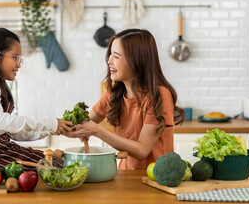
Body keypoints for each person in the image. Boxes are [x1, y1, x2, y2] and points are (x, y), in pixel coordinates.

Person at [65, 29, 185, 170]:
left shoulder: (159, 95)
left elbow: (142, 151)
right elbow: (79, 125)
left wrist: (97, 131)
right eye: (110, 54)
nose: (109, 61)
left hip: (157, 178)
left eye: (116, 56)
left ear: (137, 60)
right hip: (125, 174)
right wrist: (51, 126)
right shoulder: (114, 92)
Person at [0, 28, 72, 170]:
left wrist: (49, 129)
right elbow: (0, 122)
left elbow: (9, 132)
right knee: (52, 165)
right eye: (15, 57)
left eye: (19, 58)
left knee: (49, 162)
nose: (18, 64)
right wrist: (49, 123)